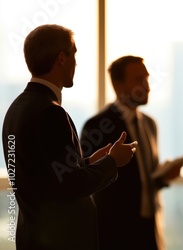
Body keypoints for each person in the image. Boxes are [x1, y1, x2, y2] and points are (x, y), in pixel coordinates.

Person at [1, 24, 136, 250]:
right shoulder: (51, 112)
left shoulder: (16, 108)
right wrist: (113, 161)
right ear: (62, 58)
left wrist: (91, 162)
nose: (76, 62)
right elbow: (73, 186)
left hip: (32, 237)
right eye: (74, 54)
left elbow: (49, 177)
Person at [80, 56, 183, 250]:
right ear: (118, 86)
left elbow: (144, 181)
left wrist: (164, 178)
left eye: (147, 79)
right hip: (115, 233)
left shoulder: (150, 124)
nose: (147, 86)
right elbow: (89, 180)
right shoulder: (96, 127)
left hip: (149, 228)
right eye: (139, 80)